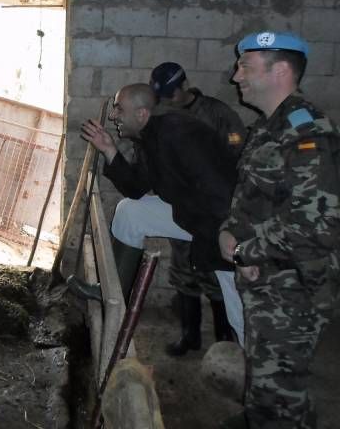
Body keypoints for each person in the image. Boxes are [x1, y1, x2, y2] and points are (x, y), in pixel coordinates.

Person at [218, 32, 339, 429]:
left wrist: (244, 253)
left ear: (281, 71)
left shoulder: (308, 133)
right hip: (268, 278)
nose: (236, 76)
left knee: (279, 390)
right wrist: (230, 233)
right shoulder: (269, 127)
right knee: (268, 380)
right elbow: (252, 198)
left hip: (295, 286)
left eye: (245, 67)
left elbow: (314, 227)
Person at [68, 83, 245, 346]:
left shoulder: (180, 132)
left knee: (239, 310)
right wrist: (109, 149)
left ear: (141, 114)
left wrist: (226, 233)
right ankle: (111, 293)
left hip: (223, 224)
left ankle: (262, 376)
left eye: (119, 109)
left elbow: (219, 189)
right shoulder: (150, 137)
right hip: (191, 214)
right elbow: (136, 189)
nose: (114, 116)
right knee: (130, 212)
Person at [149, 62, 246, 355]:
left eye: (172, 94)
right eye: (163, 95)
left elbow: (237, 145)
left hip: (212, 208)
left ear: (185, 85)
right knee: (183, 268)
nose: (168, 99)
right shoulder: (163, 114)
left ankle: (224, 341)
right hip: (182, 206)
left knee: (215, 271)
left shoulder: (216, 113)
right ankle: (190, 336)